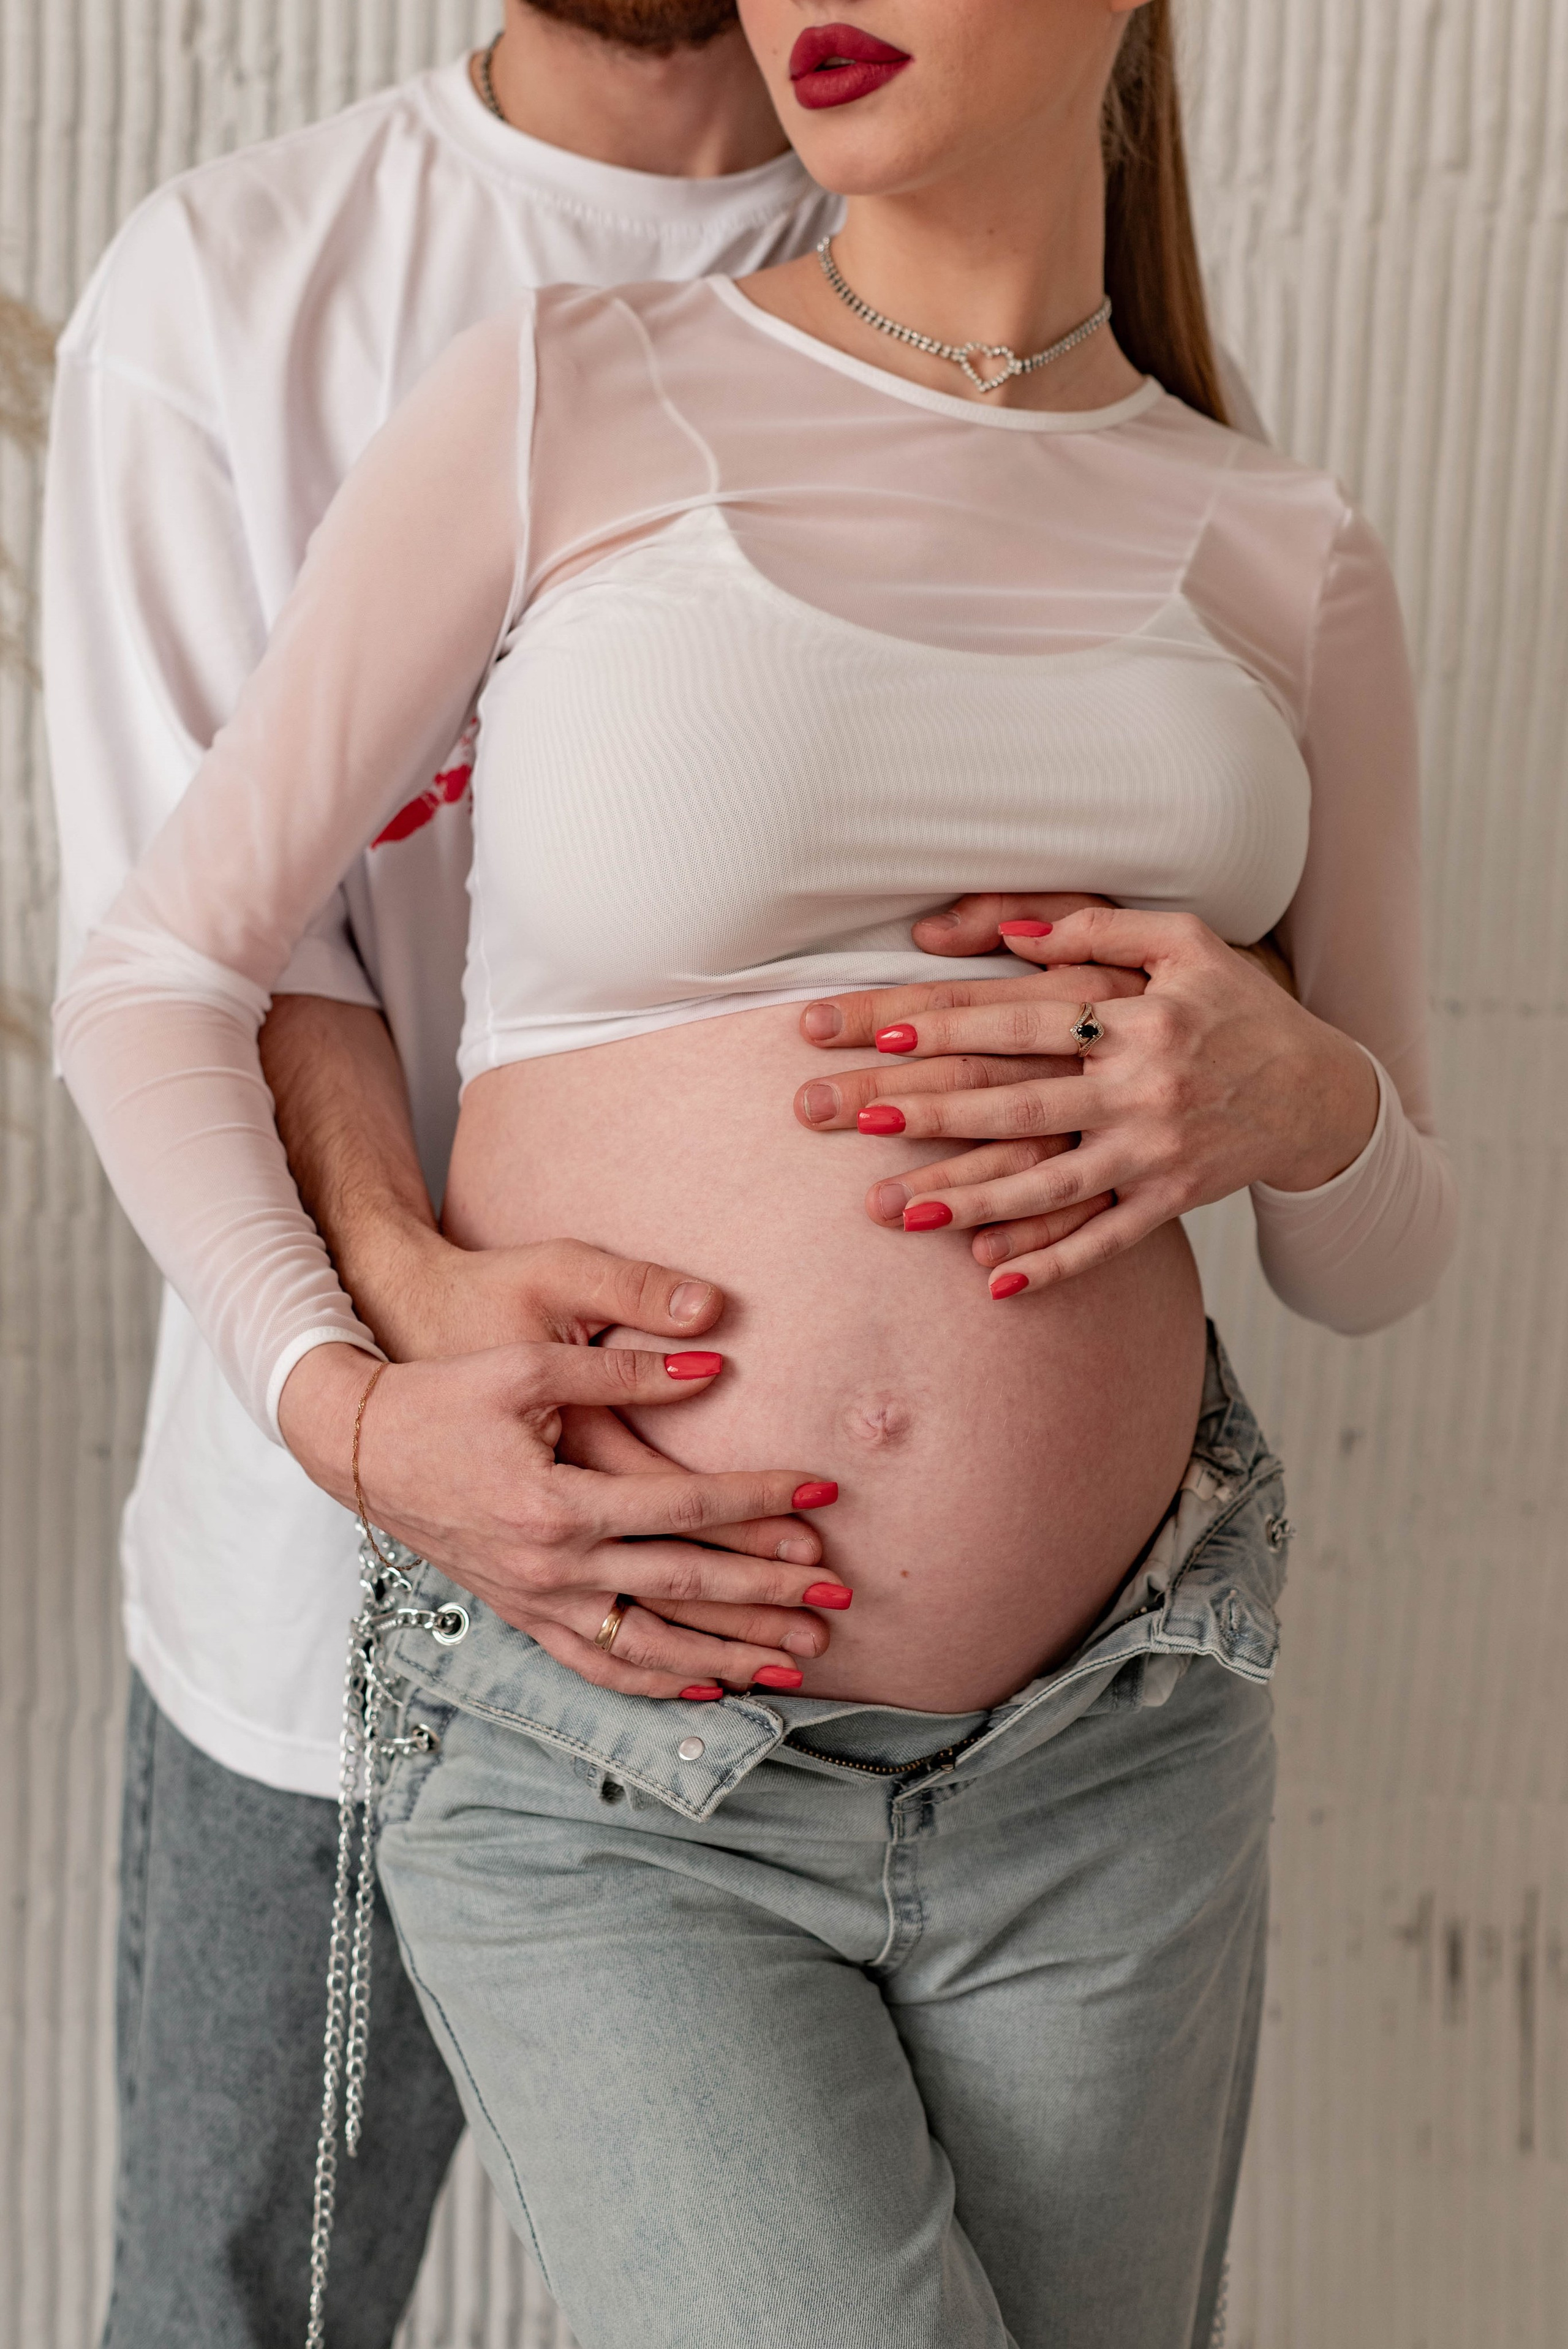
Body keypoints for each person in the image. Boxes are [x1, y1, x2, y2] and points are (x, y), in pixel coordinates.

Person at [53, 0, 1458, 2343]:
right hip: (608, 1749)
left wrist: (1299, 1100)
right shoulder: (563, 392)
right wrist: (349, 1399)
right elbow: (161, 966)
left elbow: (1376, 1250)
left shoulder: (1284, 547)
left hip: (1116, 1762)